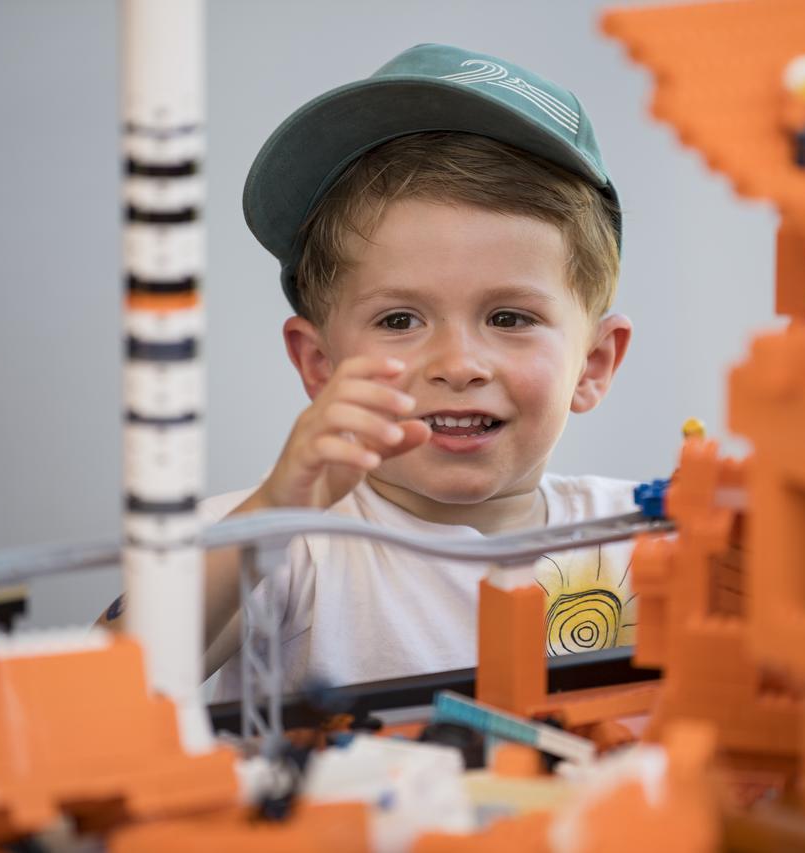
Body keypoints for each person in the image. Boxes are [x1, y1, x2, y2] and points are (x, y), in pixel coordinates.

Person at [103, 43, 638, 701]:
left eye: (508, 318)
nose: (458, 365)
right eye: (399, 320)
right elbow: (96, 696)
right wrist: (276, 510)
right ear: (320, 364)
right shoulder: (283, 540)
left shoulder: (644, 535)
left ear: (593, 363)